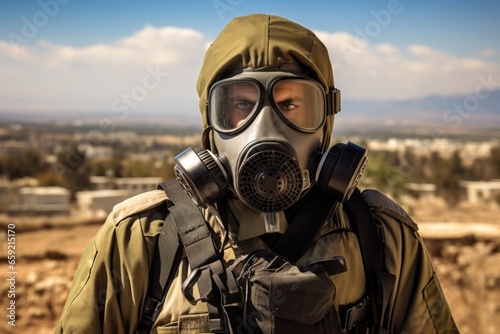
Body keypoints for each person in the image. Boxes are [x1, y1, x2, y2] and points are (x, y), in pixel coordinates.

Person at [55, 13, 458, 334]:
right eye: (240, 105)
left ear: (327, 118)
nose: (265, 126)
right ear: (210, 122)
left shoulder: (381, 237)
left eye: (291, 104)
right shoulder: (141, 239)